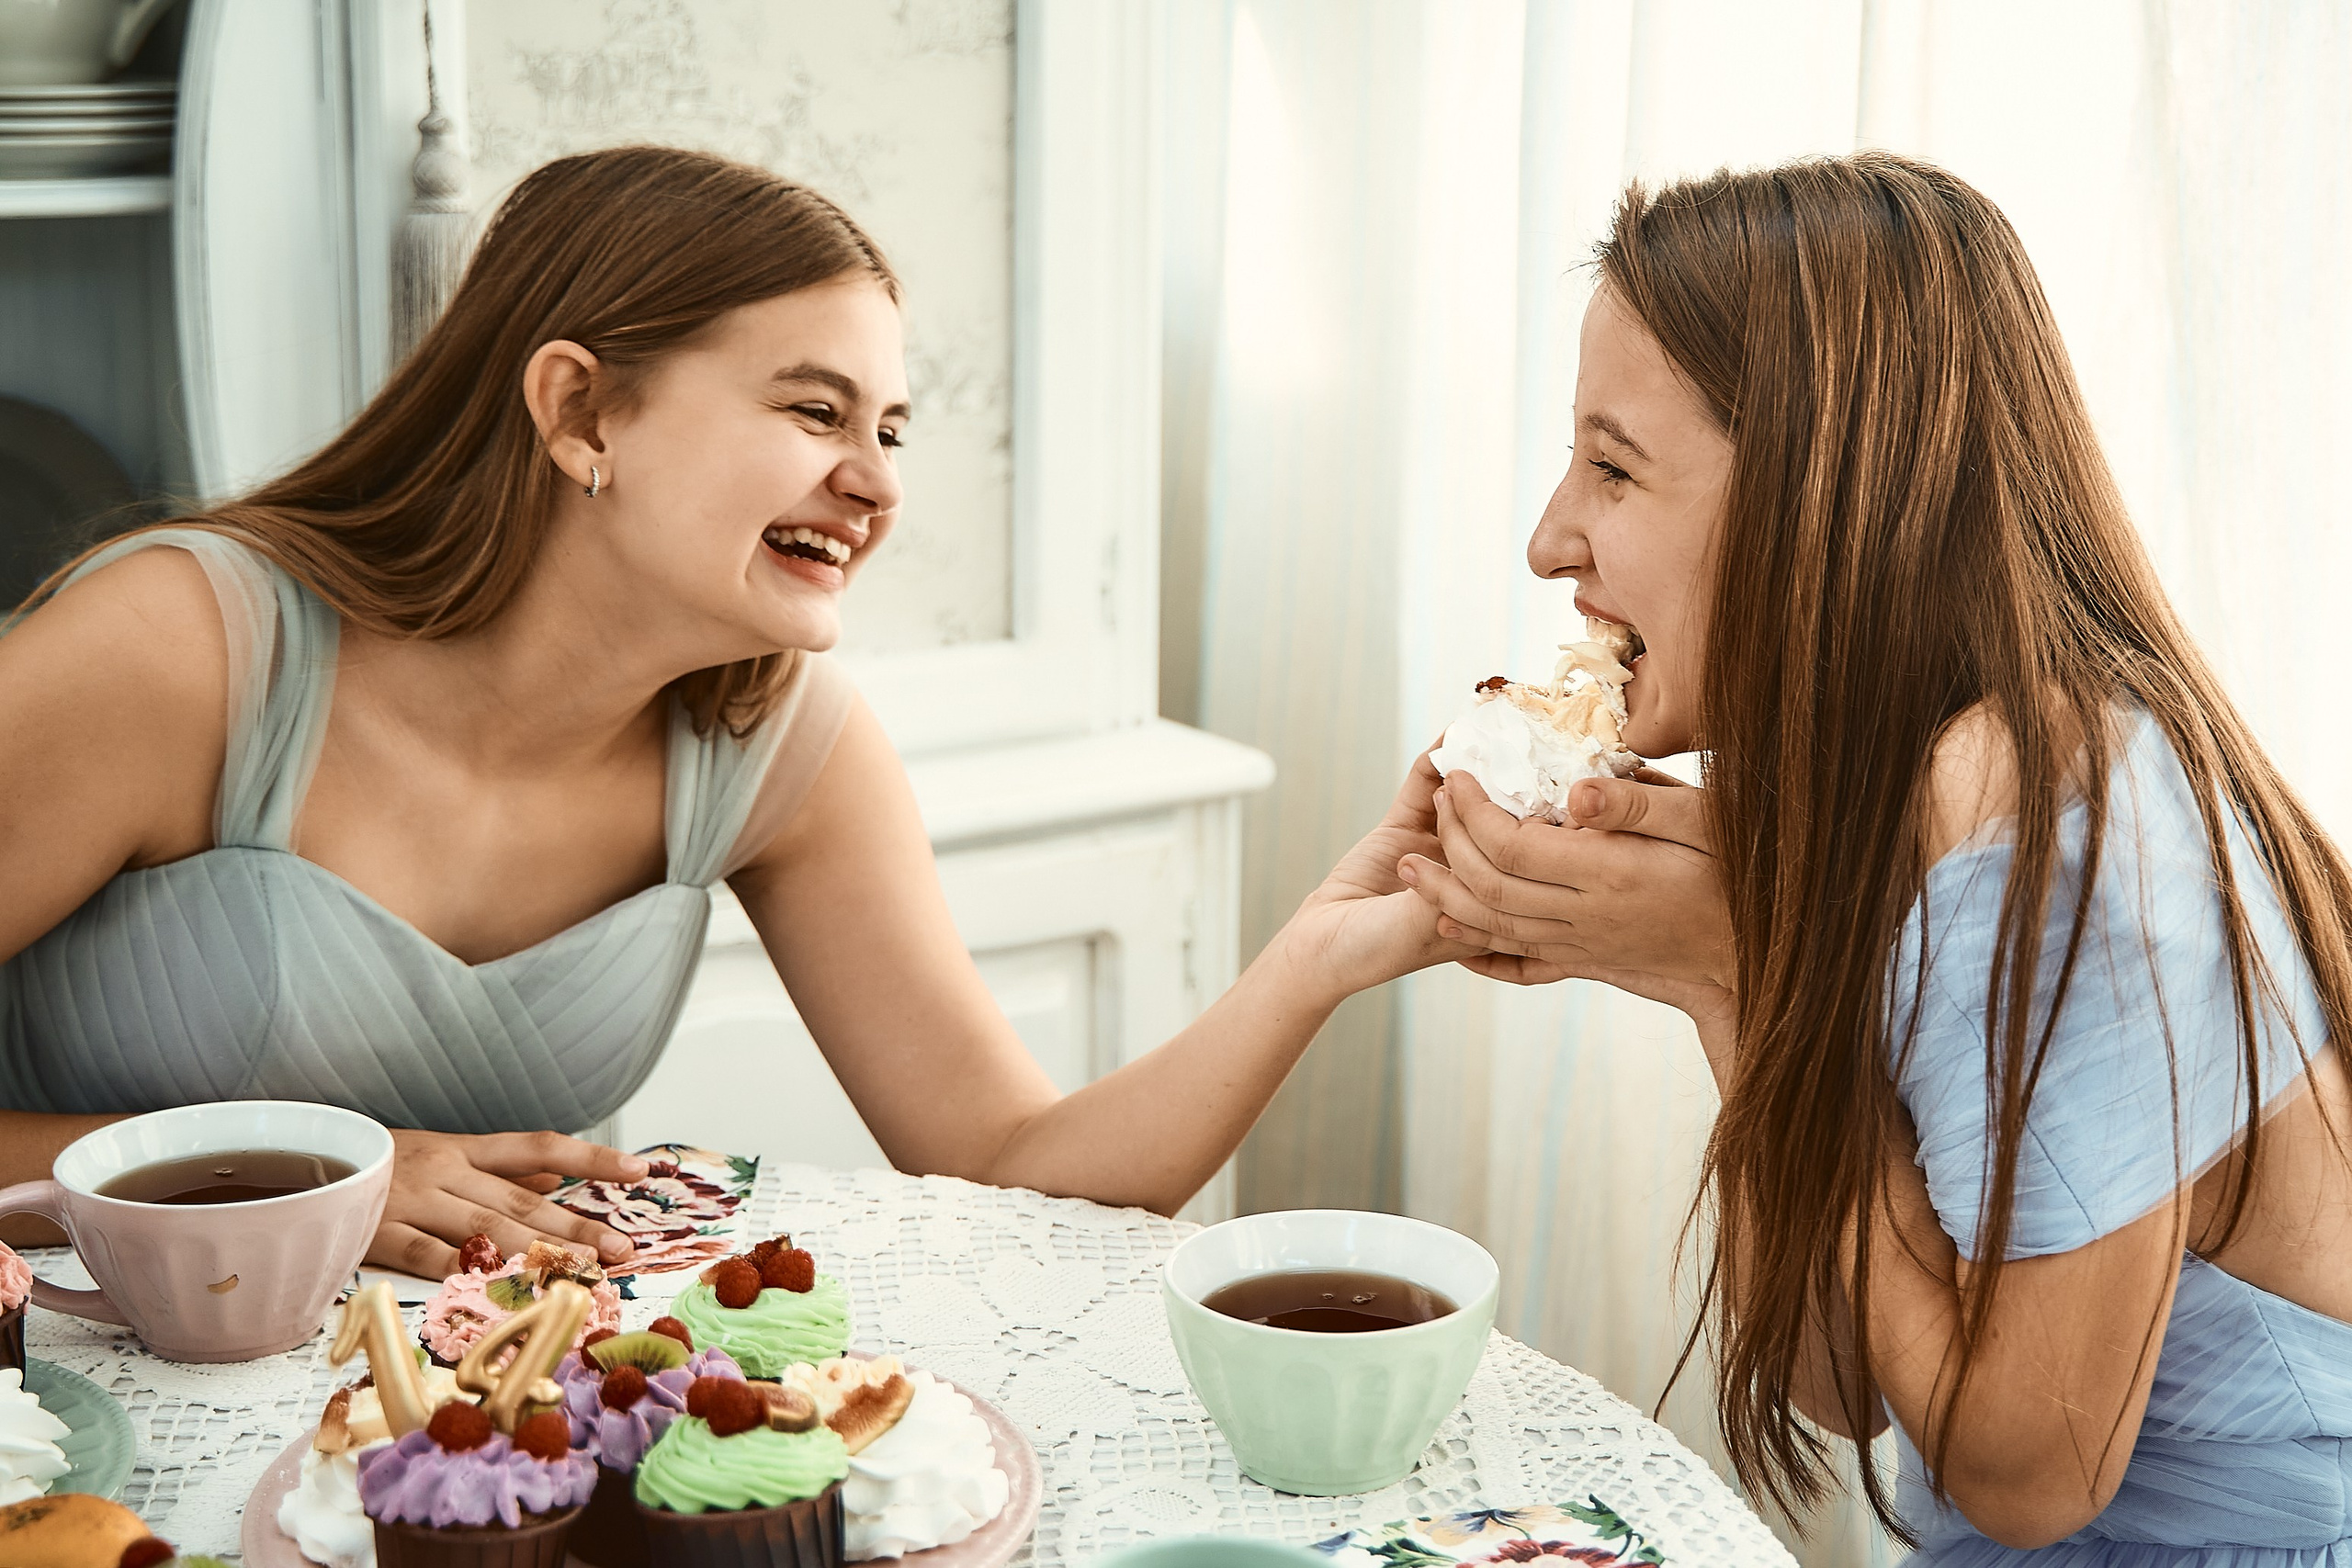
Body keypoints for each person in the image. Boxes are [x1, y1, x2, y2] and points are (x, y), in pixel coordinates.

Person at [0, 146, 1468, 1277]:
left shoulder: (783, 747)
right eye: (817, 412)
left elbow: (1013, 1164)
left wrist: (1316, 957)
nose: (882, 483)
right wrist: (295, 1175)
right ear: (581, 414)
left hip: (481, 1434)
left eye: (891, 429)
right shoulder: (179, 654)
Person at [1403, 152, 2352, 1565]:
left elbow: (2026, 1476)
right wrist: (1731, 988)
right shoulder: (1901, 786)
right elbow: (1837, 1377)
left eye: (1613, 466)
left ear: (1826, 490)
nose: (1551, 539)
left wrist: (1741, 963)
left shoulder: (2057, 795)